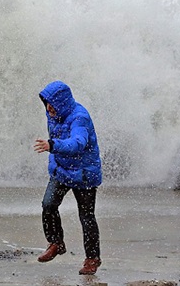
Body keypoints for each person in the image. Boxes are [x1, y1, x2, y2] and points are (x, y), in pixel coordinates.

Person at [33, 80, 102, 275]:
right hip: (62, 170)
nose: (48, 108)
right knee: (48, 204)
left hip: (84, 174)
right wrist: (53, 150)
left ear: (62, 102)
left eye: (52, 103)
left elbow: (78, 143)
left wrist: (52, 146)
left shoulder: (79, 117)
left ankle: (92, 259)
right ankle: (56, 242)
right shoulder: (53, 114)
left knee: (86, 217)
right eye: (46, 102)